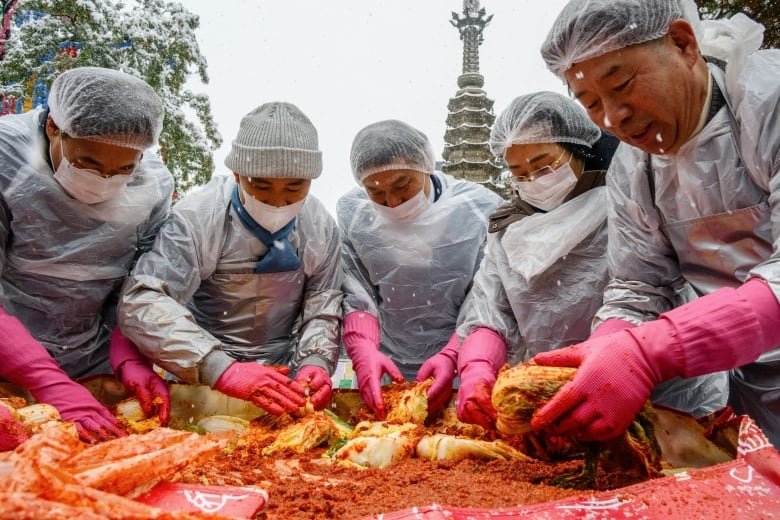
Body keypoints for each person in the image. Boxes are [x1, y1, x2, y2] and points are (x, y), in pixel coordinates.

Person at [532, 0, 780, 446]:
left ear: (683, 44)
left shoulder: (768, 101)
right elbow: (637, 288)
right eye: (590, 103)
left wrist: (654, 351)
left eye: (622, 84)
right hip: (757, 389)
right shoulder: (634, 169)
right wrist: (609, 345)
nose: (613, 117)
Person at [119, 102, 341, 415]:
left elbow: (323, 304)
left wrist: (315, 361)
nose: (278, 201)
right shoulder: (198, 218)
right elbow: (144, 300)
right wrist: (219, 368)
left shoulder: (319, 226)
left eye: (295, 186)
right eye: (261, 185)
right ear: (236, 173)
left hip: (285, 384)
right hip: (199, 379)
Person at [0, 67, 173, 443]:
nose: (105, 179)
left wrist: (129, 356)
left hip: (91, 362)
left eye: (124, 168)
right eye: (88, 163)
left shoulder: (154, 186)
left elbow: (137, 284)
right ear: (53, 128)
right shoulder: (5, 158)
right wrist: (48, 383)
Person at [338, 119, 503, 419]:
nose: (393, 201)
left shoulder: (476, 208)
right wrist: (363, 350)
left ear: (426, 165)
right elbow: (355, 289)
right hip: (389, 366)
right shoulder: (355, 214)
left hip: (469, 360)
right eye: (376, 192)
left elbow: (487, 294)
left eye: (403, 185)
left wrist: (456, 354)